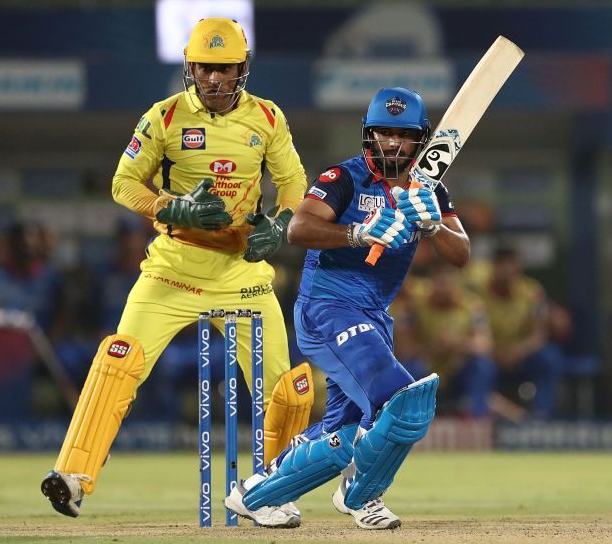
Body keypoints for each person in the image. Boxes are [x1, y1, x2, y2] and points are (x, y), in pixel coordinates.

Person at [41, 17, 314, 518]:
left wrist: (280, 224)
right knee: (119, 361)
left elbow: (294, 181)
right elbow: (124, 184)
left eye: (225, 68)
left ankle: (274, 493)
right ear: (190, 67)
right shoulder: (163, 117)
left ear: (242, 68)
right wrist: (172, 208)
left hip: (242, 274)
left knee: (287, 388)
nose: (214, 79)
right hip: (171, 271)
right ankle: (73, 477)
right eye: (205, 68)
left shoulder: (268, 119)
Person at [224, 87, 470, 529]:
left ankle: (256, 495)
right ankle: (362, 496)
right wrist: (360, 234)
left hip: (373, 316)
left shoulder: (430, 189)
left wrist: (432, 225)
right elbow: (299, 228)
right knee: (403, 399)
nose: (392, 144)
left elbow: (461, 254)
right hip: (326, 307)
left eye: (403, 135)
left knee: (346, 431)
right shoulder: (344, 177)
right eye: (383, 134)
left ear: (421, 140)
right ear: (368, 136)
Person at [393, 259, 495, 417]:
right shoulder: (414, 306)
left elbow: (484, 345)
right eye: (440, 282)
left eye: (450, 282)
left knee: (482, 365)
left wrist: (456, 343)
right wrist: (433, 348)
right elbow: (404, 349)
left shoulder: (473, 306)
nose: (445, 288)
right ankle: (411, 420)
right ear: (432, 282)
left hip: (458, 369)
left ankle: (477, 419)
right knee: (407, 367)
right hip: (426, 369)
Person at [480, 245, 562, 418]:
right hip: (491, 357)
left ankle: (542, 417)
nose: (507, 270)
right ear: (493, 267)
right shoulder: (480, 294)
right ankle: (480, 419)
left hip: (521, 357)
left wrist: (518, 352)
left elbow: (539, 335)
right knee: (479, 366)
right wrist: (496, 353)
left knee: (549, 357)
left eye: (512, 264)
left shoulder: (532, 291)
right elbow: (476, 335)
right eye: (502, 264)